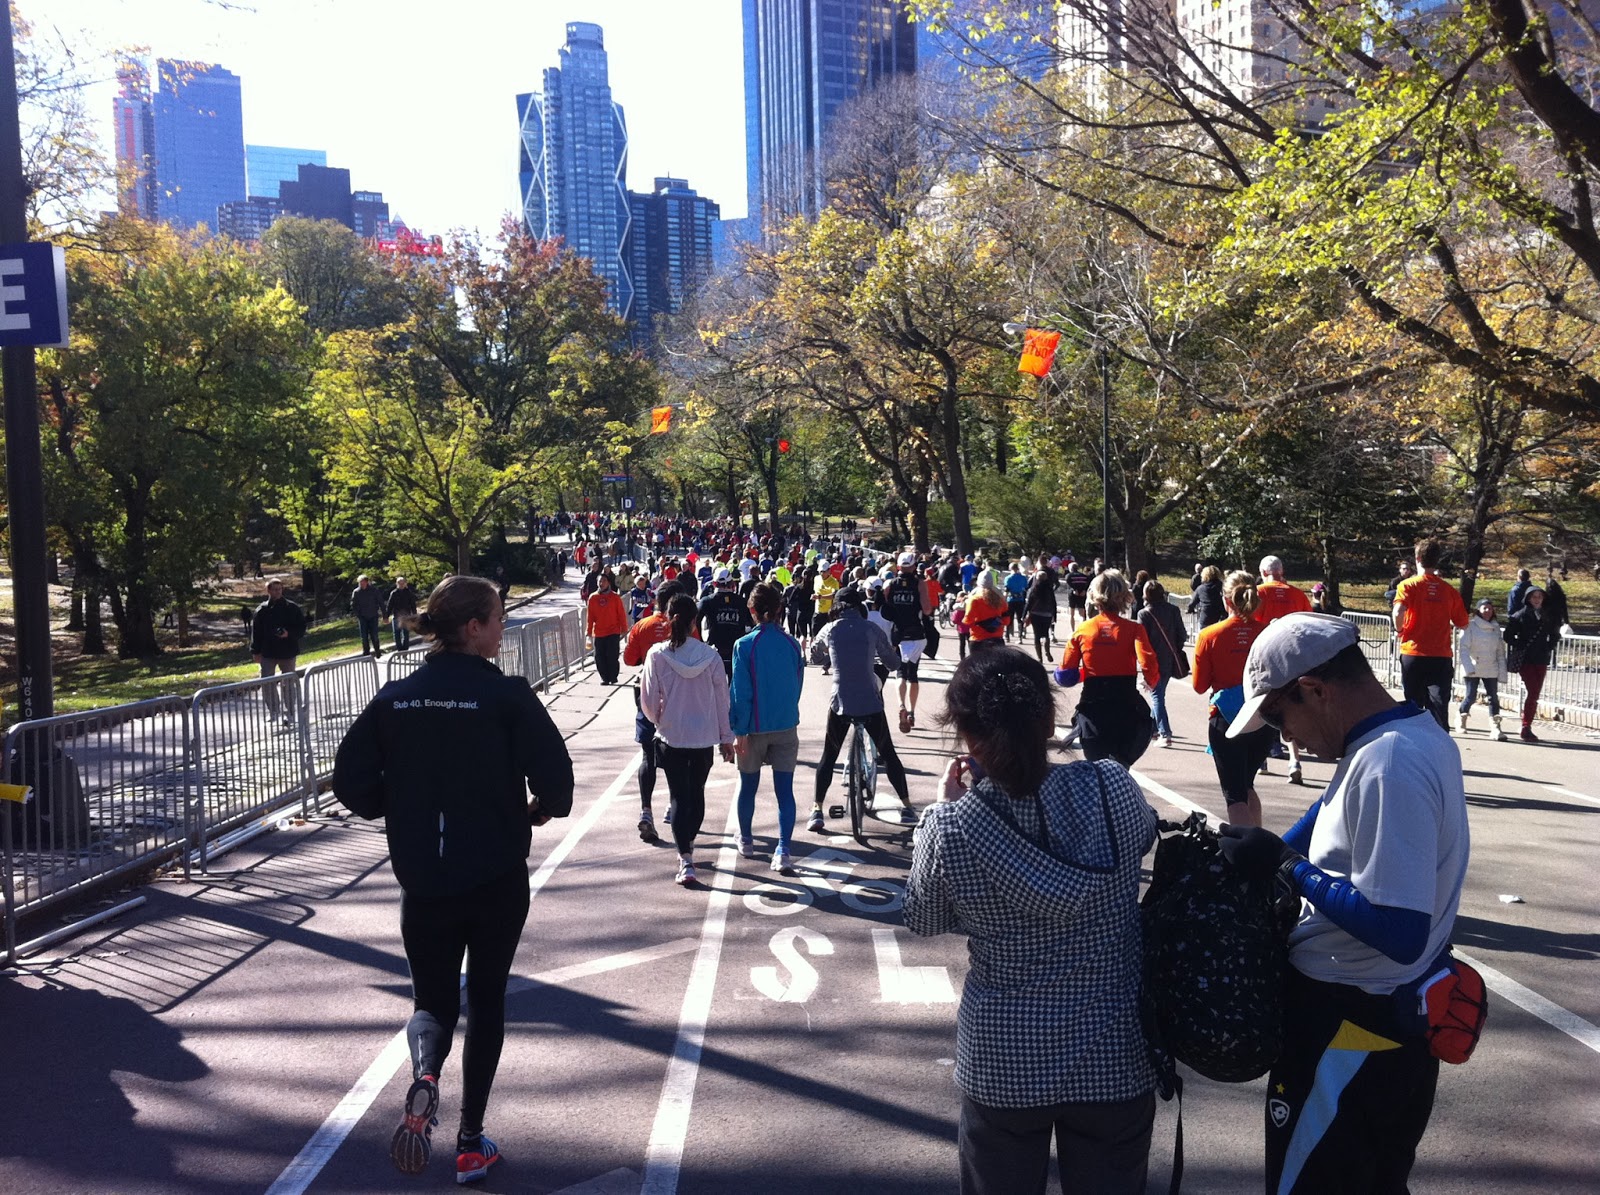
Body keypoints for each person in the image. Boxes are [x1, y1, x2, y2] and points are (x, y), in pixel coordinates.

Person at [333, 576, 575, 1184]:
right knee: (487, 1000)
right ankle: (470, 1141)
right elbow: (559, 784)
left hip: (424, 878)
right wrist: (538, 809)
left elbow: (349, 781)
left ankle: (425, 1074)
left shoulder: (397, 697)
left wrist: (399, 805)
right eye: (498, 618)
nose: (503, 628)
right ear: (473, 628)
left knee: (432, 1002)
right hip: (495, 875)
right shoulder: (507, 696)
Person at [1218, 613, 1468, 1195]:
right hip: (1384, 1028)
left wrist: (1285, 865)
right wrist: (1267, 853)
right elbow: (1327, 815)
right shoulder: (1402, 735)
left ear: (1314, 690)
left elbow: (1399, 930)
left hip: (1349, 1031)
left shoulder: (1388, 763)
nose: (1284, 738)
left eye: (1277, 717)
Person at [905, 646, 1158, 1195]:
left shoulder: (952, 828)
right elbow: (1143, 838)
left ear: (966, 736)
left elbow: (922, 916)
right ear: (1049, 722)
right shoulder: (1112, 787)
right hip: (1113, 1052)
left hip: (1004, 1062)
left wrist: (943, 809)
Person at [640, 594, 736, 885]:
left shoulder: (657, 655)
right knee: (697, 794)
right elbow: (722, 701)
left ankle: (685, 858)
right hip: (703, 737)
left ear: (668, 619)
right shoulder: (711, 657)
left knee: (679, 797)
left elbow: (647, 700)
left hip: (672, 736)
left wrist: (660, 719)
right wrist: (726, 738)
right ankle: (688, 842)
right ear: (695, 622)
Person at [809, 588, 913, 831]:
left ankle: (817, 809)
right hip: (870, 701)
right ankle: (907, 806)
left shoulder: (829, 629)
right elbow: (893, 663)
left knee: (828, 756)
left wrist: (829, 657)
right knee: (888, 753)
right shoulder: (871, 629)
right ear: (860, 607)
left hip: (841, 702)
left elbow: (814, 656)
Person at [729, 582, 805, 873]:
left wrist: (739, 730)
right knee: (785, 791)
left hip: (753, 728)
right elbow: (797, 685)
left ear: (752, 610)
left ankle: (747, 839)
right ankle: (783, 849)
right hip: (785, 724)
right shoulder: (792, 644)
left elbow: (740, 692)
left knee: (748, 786)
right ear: (779, 609)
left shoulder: (744, 645)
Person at [1191, 572, 1275, 827]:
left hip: (1226, 720)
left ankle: (1245, 849)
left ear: (1226, 600)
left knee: (1234, 796)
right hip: (1263, 718)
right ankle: (1258, 842)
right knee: (1247, 785)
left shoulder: (1210, 635)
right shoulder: (1267, 633)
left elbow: (1199, 686)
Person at [1054, 570, 1157, 767]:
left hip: (1094, 707)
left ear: (1095, 596)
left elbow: (1066, 676)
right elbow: (1148, 662)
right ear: (1124, 597)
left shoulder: (1083, 629)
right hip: (1126, 705)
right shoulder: (1134, 629)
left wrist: (1085, 672)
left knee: (1096, 766)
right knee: (1122, 765)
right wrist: (1151, 681)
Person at [1392, 540, 1468, 732]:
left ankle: (1415, 742)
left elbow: (1398, 612)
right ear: (1437, 560)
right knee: (1439, 705)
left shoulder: (1407, 585)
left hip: (1413, 652)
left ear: (1417, 558)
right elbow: (1462, 622)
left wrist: (1400, 630)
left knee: (1413, 705)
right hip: (1440, 655)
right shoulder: (1448, 590)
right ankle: (1440, 742)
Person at [1256, 555, 1314, 782]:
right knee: (1291, 709)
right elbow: (1309, 624)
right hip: (1292, 657)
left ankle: (1261, 759)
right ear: (1282, 571)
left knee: (1261, 707)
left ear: (1263, 573)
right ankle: (1294, 761)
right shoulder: (1298, 595)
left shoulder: (1258, 593)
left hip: (1264, 656)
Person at [884, 551, 933, 732]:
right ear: (913, 567)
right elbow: (926, 609)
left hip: (898, 634)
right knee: (913, 674)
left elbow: (886, 608)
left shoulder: (890, 584)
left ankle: (901, 705)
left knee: (900, 673)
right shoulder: (920, 583)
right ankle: (912, 711)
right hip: (916, 633)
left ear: (898, 567)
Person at [1504, 586, 1560, 742]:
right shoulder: (1520, 615)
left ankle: (1526, 725)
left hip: (1541, 658)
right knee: (1533, 691)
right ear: (1528, 598)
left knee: (1535, 694)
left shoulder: (1548, 615)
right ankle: (1525, 726)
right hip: (1526, 659)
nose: (1537, 599)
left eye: (1539, 597)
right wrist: (1520, 645)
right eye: (1534, 596)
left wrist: (1548, 647)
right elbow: (1508, 635)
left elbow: (1555, 634)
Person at [1137, 580, 1187, 748]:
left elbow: (1142, 641)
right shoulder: (1173, 610)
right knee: (1158, 694)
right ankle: (1153, 729)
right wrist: (1175, 649)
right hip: (1170, 658)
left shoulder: (1144, 614)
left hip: (1152, 659)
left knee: (1157, 696)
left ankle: (1165, 733)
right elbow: (1182, 634)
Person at [251, 580, 307, 726]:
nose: (277, 592)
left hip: (288, 651)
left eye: (280, 589)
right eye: (274, 589)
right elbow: (256, 633)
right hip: (268, 652)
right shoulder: (261, 610)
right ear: (268, 591)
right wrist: (255, 651)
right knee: (267, 681)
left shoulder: (291, 607)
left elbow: (301, 628)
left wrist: (289, 633)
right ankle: (274, 711)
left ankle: (290, 713)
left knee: (288, 683)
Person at [1456, 597, 1507, 740]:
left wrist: (1502, 671)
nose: (1488, 611)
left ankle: (1495, 727)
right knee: (1470, 696)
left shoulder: (1495, 628)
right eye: (1485, 608)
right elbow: (1463, 648)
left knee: (1493, 698)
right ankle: (1461, 718)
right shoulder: (1470, 626)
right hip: (1474, 666)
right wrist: (1468, 666)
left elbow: (1500, 651)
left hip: (1491, 667)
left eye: (1490, 608)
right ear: (1478, 610)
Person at [699, 566, 755, 678]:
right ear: (732, 583)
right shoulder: (742, 602)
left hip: (715, 648)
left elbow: (695, 620)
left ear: (715, 583)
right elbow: (752, 623)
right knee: (735, 681)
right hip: (736, 649)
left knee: (713, 682)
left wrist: (701, 641)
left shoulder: (707, 601)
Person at [585, 569, 628, 685]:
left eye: (604, 581)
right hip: (599, 632)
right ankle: (604, 678)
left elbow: (621, 614)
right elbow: (590, 617)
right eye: (600, 581)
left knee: (612, 655)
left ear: (608, 583)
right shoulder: (593, 598)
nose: (601, 583)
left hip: (613, 631)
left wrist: (624, 628)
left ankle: (613, 677)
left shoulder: (615, 597)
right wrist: (588, 632)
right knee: (599, 657)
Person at [1023, 557, 1059, 662]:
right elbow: (1054, 603)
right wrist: (1054, 615)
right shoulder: (1049, 590)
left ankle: (1039, 657)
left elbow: (1029, 603)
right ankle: (1047, 651)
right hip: (1047, 613)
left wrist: (1024, 614)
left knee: (1037, 635)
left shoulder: (1034, 589)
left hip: (1035, 614)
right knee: (1046, 634)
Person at [964, 572, 1011, 649]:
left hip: (978, 639)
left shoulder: (974, 600)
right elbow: (1006, 621)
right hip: (997, 639)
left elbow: (968, 620)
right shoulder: (1000, 600)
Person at [352, 574, 386, 657]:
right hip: (362, 617)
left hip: (373, 616)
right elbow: (353, 604)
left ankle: (377, 652)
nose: (361, 584)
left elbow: (381, 602)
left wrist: (384, 615)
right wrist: (358, 614)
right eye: (360, 582)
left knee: (374, 635)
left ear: (367, 582)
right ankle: (366, 654)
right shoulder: (356, 592)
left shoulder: (374, 590)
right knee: (364, 637)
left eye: (363, 582)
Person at [1186, 564, 1225, 629]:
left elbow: (1192, 603)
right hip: (1220, 618)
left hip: (1206, 618)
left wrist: (1190, 610)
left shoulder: (1201, 588)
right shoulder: (1222, 587)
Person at [386, 576, 419, 651]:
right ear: (396, 584)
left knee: (406, 634)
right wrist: (386, 616)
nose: (401, 585)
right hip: (397, 616)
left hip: (406, 616)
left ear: (405, 583)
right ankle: (399, 650)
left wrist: (414, 615)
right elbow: (390, 605)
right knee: (396, 634)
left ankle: (405, 650)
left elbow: (413, 605)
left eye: (402, 583)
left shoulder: (409, 593)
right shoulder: (394, 593)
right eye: (399, 583)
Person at [1004, 562, 1029, 642]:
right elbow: (1025, 588)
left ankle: (1007, 635)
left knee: (1009, 618)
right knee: (1020, 618)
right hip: (1020, 600)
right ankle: (1020, 636)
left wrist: (1004, 600)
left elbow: (1006, 590)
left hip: (1011, 600)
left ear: (1010, 568)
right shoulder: (1023, 578)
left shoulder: (1008, 578)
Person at [1064, 563, 1090, 629]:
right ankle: (1082, 629)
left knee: (1072, 614)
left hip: (1072, 595)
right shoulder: (1084, 576)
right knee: (1082, 614)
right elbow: (1088, 583)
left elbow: (1069, 582)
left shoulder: (1069, 575)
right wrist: (1084, 590)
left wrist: (1075, 589)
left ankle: (1073, 630)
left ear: (1070, 569)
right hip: (1082, 595)